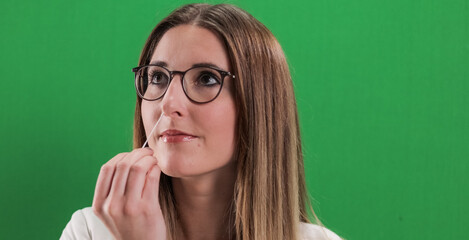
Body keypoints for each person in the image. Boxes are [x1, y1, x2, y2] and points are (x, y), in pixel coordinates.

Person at [60, 3, 341, 240]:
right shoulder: (89, 232)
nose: (168, 104)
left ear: (259, 105)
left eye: (206, 78)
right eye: (157, 77)